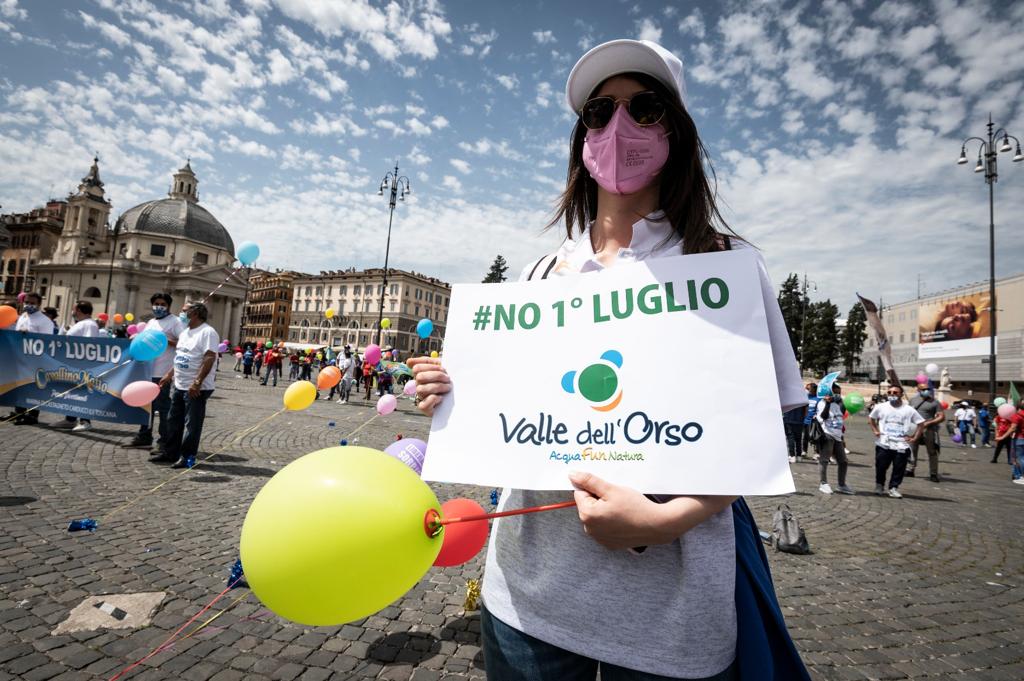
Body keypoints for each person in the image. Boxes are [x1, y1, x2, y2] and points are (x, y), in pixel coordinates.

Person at [410, 39, 809, 680]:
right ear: (581, 137)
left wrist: (668, 517)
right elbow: (512, 398)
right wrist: (453, 389)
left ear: (676, 132)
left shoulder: (724, 263)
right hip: (529, 598)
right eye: (600, 111)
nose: (619, 126)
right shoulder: (542, 269)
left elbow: (757, 433)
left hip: (670, 615)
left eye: (644, 107)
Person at [156, 302, 219, 469]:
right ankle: (171, 453)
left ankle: (187, 456)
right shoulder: (185, 332)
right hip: (179, 384)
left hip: (197, 387)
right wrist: (169, 375)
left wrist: (197, 382)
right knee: (173, 420)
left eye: (185, 311)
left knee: (192, 424)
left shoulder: (208, 332)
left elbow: (209, 358)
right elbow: (180, 356)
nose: (181, 314)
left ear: (196, 314)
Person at [126, 293, 185, 451]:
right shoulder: (151, 322)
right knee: (145, 405)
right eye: (156, 303)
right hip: (146, 370)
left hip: (163, 371)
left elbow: (184, 343)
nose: (159, 306)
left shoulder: (175, 322)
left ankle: (164, 441)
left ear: (169, 306)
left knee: (162, 407)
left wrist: (165, 341)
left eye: (163, 304)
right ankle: (144, 435)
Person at [869, 385, 925, 498]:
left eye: (895, 392)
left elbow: (921, 423)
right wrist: (875, 430)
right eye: (889, 392)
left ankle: (893, 488)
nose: (892, 394)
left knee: (899, 468)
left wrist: (914, 438)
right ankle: (879, 485)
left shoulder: (909, 410)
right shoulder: (881, 407)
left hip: (901, 444)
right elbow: (871, 418)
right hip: (884, 442)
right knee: (881, 466)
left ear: (901, 394)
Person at [53, 300, 100, 432]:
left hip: (82, 365)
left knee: (82, 392)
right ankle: (70, 419)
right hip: (72, 364)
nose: (73, 312)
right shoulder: (81, 324)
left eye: (74, 310)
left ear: (79, 310)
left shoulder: (90, 324)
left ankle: (85, 421)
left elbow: (88, 343)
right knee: (72, 392)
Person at [13, 292, 51, 425]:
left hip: (36, 361)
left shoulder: (45, 321)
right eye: (27, 302)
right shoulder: (23, 316)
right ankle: (19, 412)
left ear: (39, 304)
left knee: (34, 388)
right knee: (20, 386)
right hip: (20, 358)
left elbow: (47, 342)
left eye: (32, 303)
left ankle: (33, 415)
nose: (29, 305)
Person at [816, 386, 853, 494]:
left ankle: (841, 485)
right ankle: (823, 483)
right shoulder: (822, 403)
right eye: (835, 393)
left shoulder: (837, 404)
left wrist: (840, 401)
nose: (837, 395)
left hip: (838, 436)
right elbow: (823, 417)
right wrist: (827, 403)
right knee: (824, 460)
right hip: (827, 435)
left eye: (839, 393)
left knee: (843, 461)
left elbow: (841, 414)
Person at [907, 382, 945, 482]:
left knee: (932, 451)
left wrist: (929, 423)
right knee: (912, 450)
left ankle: (933, 473)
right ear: (918, 390)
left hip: (929, 429)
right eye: (924, 389)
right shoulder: (912, 400)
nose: (926, 391)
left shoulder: (934, 402)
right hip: (914, 428)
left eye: (928, 389)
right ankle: (910, 469)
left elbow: (942, 416)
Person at [801, 383, 818, 458]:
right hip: (805, 420)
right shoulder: (805, 398)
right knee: (805, 436)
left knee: (814, 437)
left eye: (808, 389)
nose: (807, 390)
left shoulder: (818, 399)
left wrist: (816, 415)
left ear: (814, 389)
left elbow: (820, 409)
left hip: (813, 422)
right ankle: (804, 451)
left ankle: (816, 453)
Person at [1010, 400, 1024, 485]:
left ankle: (1021, 476)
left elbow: (1013, 428)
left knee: (1020, 458)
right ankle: (1017, 474)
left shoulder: (1017, 416)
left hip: (1019, 438)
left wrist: (1003, 436)